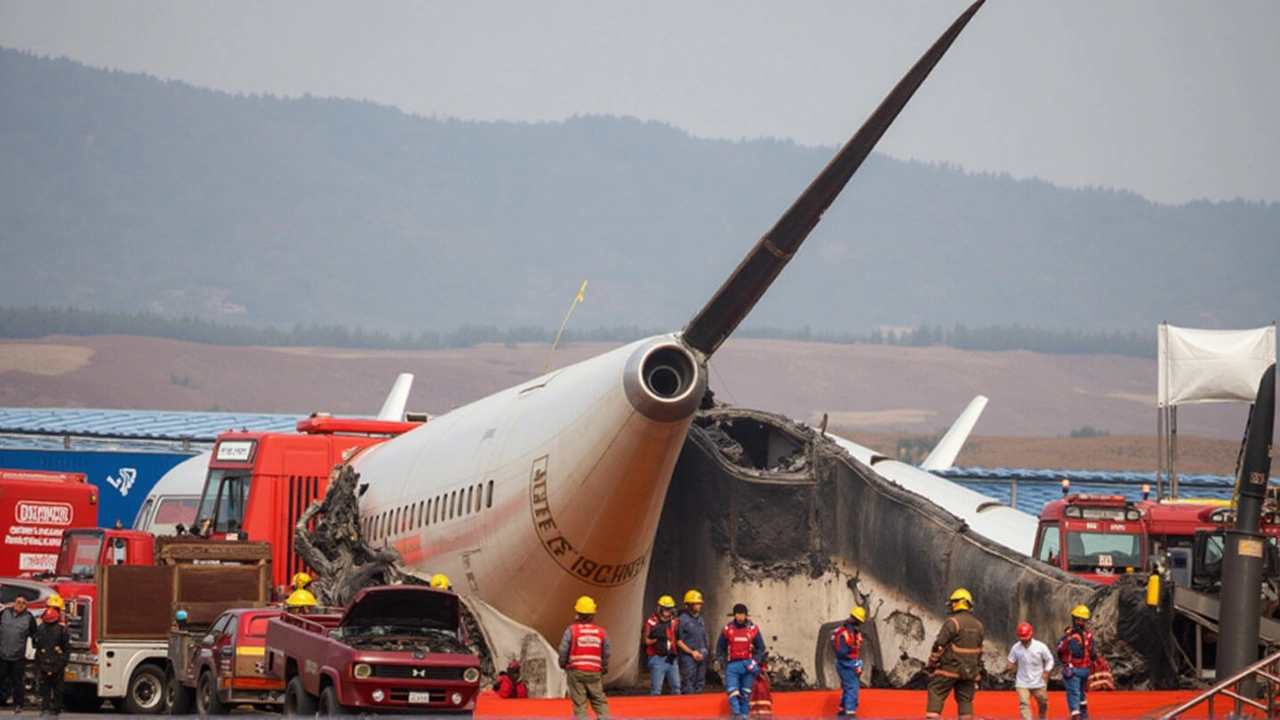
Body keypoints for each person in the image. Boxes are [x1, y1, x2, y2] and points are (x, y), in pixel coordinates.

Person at [924, 588, 985, 720]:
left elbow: (939, 645)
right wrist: (976, 672)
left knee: (936, 691)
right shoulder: (978, 625)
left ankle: (932, 717)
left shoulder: (953, 622)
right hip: (969, 672)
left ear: (956, 603)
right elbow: (980, 650)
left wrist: (932, 664)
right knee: (965, 700)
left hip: (949, 669)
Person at [558, 596, 611, 718]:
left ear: (578, 613)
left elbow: (563, 648)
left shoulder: (572, 630)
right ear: (592, 615)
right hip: (594, 672)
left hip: (576, 670)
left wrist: (563, 663)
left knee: (580, 703)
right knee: (599, 701)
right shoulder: (600, 632)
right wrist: (603, 666)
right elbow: (607, 652)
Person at [716, 603, 766, 720]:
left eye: (742, 614)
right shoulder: (728, 629)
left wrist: (755, 662)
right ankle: (736, 715)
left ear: (746, 615)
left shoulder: (752, 629)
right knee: (733, 692)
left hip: (748, 665)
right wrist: (719, 661)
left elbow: (761, 648)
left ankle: (743, 716)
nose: (740, 617)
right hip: (732, 665)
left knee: (745, 694)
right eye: (738, 614)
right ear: (734, 615)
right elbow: (720, 647)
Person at [1007, 621, 1054, 720]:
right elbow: (1011, 659)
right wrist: (1010, 666)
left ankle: (1042, 717)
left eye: (1025, 637)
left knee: (1043, 702)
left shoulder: (1040, 647)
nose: (1023, 640)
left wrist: (1046, 672)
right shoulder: (1016, 648)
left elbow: (1050, 660)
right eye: (1021, 638)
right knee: (1024, 703)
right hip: (1022, 682)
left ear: (1031, 634)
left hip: (1038, 681)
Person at [1058, 605, 1097, 720]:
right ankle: (1084, 712)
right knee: (1081, 691)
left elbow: (1065, 650)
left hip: (1074, 668)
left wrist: (1065, 641)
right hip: (1085, 669)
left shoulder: (1073, 635)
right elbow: (1092, 652)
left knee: (1073, 692)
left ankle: (1075, 714)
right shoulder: (1089, 634)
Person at [0, 594, 37, 713]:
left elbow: (34, 634)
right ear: (13, 603)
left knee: (18, 682)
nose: (20, 605)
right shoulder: (4, 614)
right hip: (2, 654)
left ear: (26, 606)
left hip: (18, 656)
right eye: (18, 602)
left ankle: (18, 704)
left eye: (23, 603)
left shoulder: (29, 618)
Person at [35, 594, 69, 716]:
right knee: (45, 686)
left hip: (56, 661)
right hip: (45, 660)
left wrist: (63, 661)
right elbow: (37, 644)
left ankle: (55, 708)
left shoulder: (62, 629)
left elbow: (66, 648)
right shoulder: (41, 627)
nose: (51, 611)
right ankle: (46, 707)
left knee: (57, 687)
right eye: (50, 608)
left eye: (55, 609)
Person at [643, 595, 681, 695]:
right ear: (660, 609)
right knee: (656, 690)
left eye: (670, 609)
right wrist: (657, 639)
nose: (668, 612)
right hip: (657, 658)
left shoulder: (674, 622)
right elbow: (646, 641)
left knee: (676, 687)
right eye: (666, 609)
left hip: (671, 657)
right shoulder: (652, 622)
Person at [833, 606, 866, 717]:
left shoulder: (853, 633)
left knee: (848, 688)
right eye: (859, 623)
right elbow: (841, 652)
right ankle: (850, 713)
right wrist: (854, 664)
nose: (859, 626)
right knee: (852, 688)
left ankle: (842, 711)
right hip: (845, 665)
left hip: (849, 663)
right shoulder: (844, 633)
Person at [676, 589, 710, 694]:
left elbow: (703, 636)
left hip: (701, 655)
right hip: (688, 657)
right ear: (690, 605)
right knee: (688, 683)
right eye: (697, 603)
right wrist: (692, 652)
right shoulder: (682, 620)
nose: (699, 605)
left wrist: (706, 651)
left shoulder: (700, 619)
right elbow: (678, 641)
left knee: (699, 682)